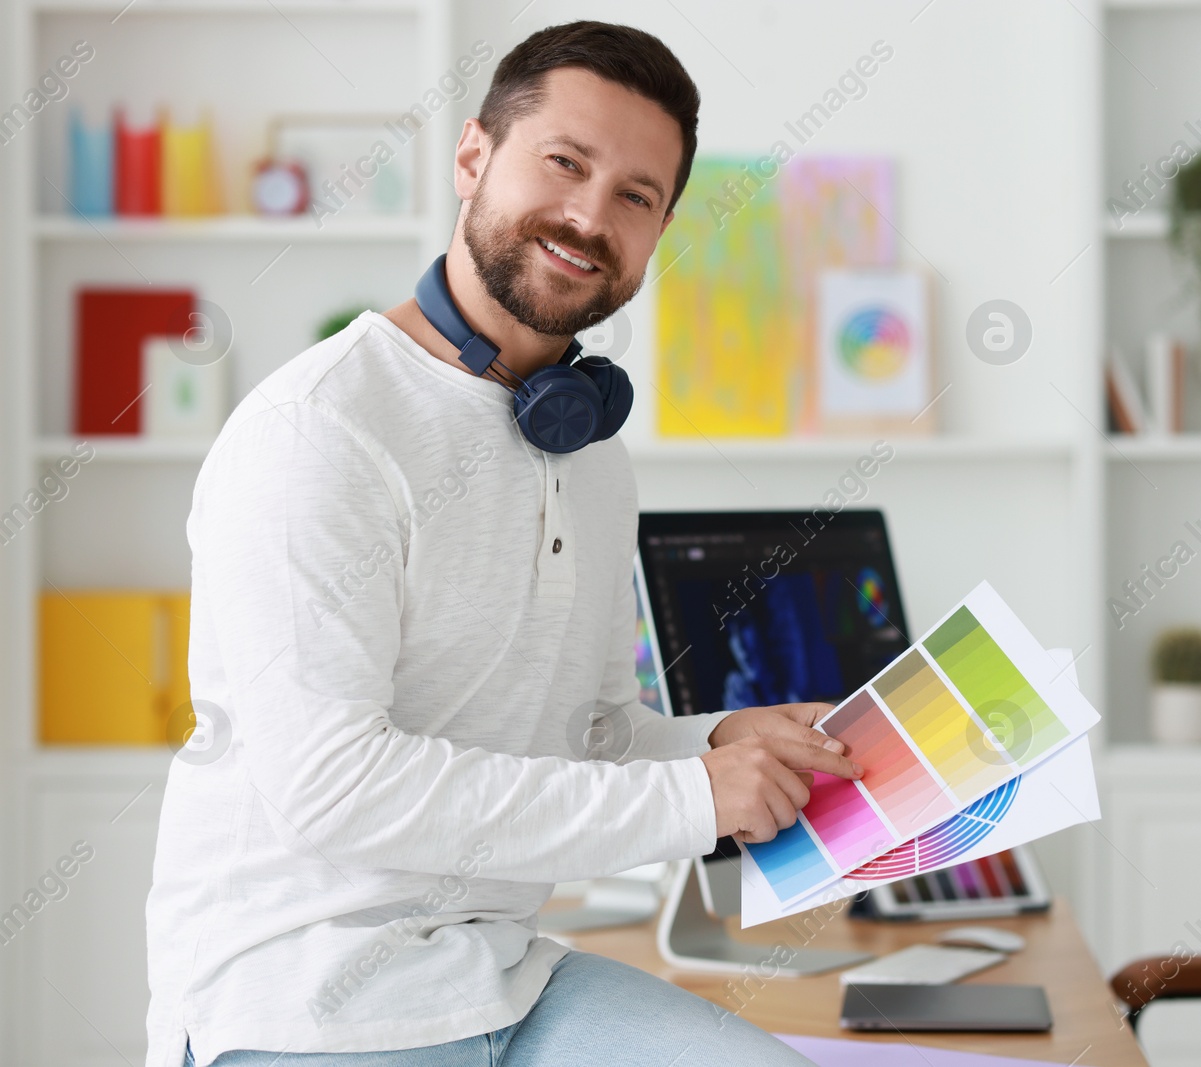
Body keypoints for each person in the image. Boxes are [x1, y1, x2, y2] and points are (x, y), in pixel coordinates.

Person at [145, 20, 858, 1067]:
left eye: (636, 196)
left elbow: (584, 732)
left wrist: (714, 742)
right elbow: (334, 785)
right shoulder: (319, 432)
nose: (588, 215)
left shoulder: (591, 451)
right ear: (473, 156)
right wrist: (690, 799)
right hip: (302, 998)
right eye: (564, 162)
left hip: (502, 971)